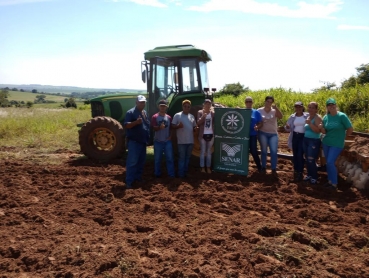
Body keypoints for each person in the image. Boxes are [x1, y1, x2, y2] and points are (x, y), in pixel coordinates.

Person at [320, 98, 353, 190]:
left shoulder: (342, 116)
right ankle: (330, 181)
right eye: (329, 105)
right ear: (327, 107)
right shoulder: (326, 117)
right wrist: (321, 128)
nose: (331, 106)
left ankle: (334, 183)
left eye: (332, 104)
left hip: (337, 144)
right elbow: (324, 131)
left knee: (330, 162)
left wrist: (344, 137)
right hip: (326, 142)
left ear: (335, 105)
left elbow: (350, 129)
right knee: (328, 163)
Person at [123, 95, 150, 189]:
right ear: (136, 102)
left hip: (143, 141)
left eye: (144, 102)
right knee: (132, 162)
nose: (142, 103)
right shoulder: (130, 112)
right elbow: (126, 125)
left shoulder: (145, 112)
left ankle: (138, 178)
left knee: (141, 162)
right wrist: (136, 122)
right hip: (134, 142)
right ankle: (129, 182)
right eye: (140, 102)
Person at [172, 99, 198, 178]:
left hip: (190, 141)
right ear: (182, 107)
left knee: (187, 158)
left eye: (188, 106)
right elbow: (172, 126)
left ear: (190, 107)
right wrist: (178, 126)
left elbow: (194, 126)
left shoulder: (192, 116)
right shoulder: (177, 115)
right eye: (185, 106)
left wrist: (196, 128)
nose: (187, 107)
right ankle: (181, 174)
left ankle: (185, 172)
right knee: (182, 158)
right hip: (181, 142)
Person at [257, 96, 283, 174]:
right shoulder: (259, 110)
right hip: (262, 133)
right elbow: (256, 120)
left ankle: (273, 168)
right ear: (265, 101)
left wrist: (277, 108)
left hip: (273, 134)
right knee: (264, 151)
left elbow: (281, 117)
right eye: (267, 101)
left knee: (274, 151)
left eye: (270, 102)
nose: (269, 103)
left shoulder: (274, 111)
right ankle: (263, 167)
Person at [285, 101, 309, 182]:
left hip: (303, 136)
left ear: (302, 107)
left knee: (300, 154)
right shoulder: (292, 116)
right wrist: (287, 127)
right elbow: (287, 128)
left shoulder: (307, 116)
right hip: (295, 136)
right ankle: (296, 170)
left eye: (300, 107)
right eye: (296, 107)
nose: (298, 108)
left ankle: (300, 171)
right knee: (295, 154)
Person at [151, 99, 175, 178]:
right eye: (161, 106)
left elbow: (171, 128)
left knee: (170, 159)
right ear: (159, 107)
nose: (162, 108)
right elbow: (154, 128)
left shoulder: (169, 117)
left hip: (167, 141)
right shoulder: (155, 117)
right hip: (158, 141)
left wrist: (170, 136)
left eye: (164, 106)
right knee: (157, 159)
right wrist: (159, 127)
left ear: (166, 107)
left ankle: (171, 174)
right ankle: (157, 174)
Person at [303, 102, 322, 185]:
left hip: (314, 140)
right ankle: (309, 174)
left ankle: (314, 176)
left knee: (311, 159)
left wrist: (310, 123)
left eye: (312, 108)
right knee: (307, 158)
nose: (310, 109)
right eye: (309, 107)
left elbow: (318, 130)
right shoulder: (308, 116)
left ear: (316, 109)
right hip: (306, 139)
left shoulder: (317, 118)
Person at [245, 96, 263, 172]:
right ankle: (242, 168)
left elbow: (261, 123)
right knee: (243, 151)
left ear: (252, 103)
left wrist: (257, 126)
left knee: (253, 151)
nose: (249, 103)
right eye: (247, 102)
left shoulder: (256, 112)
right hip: (243, 135)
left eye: (250, 101)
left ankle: (259, 167)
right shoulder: (242, 111)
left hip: (252, 134)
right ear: (245, 103)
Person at [197, 99, 215, 174]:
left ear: (210, 105)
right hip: (202, 135)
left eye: (209, 104)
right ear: (203, 105)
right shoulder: (200, 112)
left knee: (209, 152)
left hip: (211, 134)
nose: (207, 105)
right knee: (203, 151)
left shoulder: (213, 113)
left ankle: (208, 167)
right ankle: (202, 167)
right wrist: (203, 117)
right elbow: (198, 122)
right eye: (206, 104)